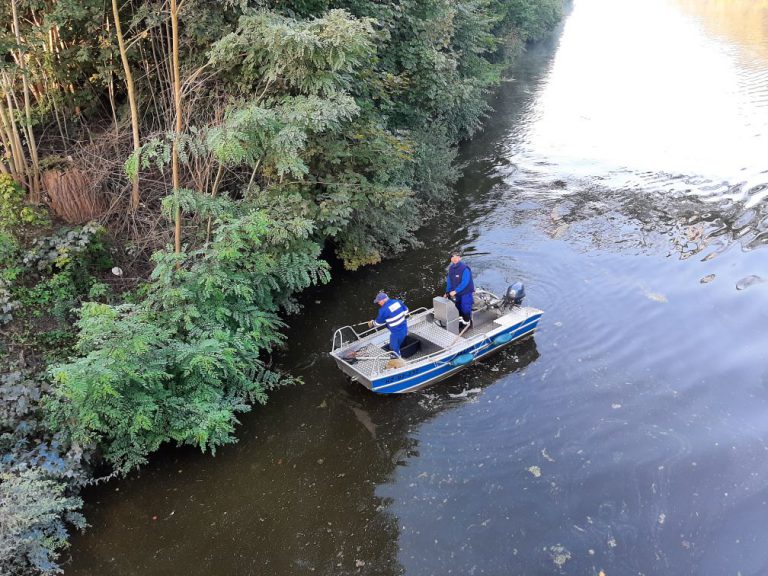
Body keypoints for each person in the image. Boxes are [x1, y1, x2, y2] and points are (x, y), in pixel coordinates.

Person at [368, 292, 409, 358]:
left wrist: (372, 323)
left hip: (396, 332)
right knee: (400, 342)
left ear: (383, 300)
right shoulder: (398, 301)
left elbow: (378, 323)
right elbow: (406, 310)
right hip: (404, 327)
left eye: (378, 301)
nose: (378, 303)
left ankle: (398, 359)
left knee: (393, 347)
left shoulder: (383, 310)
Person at [444, 251, 474, 327]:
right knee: (458, 306)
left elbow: (465, 282)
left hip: (466, 292)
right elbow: (449, 281)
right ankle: (461, 320)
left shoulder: (465, 268)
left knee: (465, 307)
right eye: (452, 257)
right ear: (451, 259)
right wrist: (447, 292)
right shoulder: (451, 268)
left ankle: (467, 323)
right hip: (457, 293)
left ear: (460, 258)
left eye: (456, 257)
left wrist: (455, 291)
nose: (454, 259)